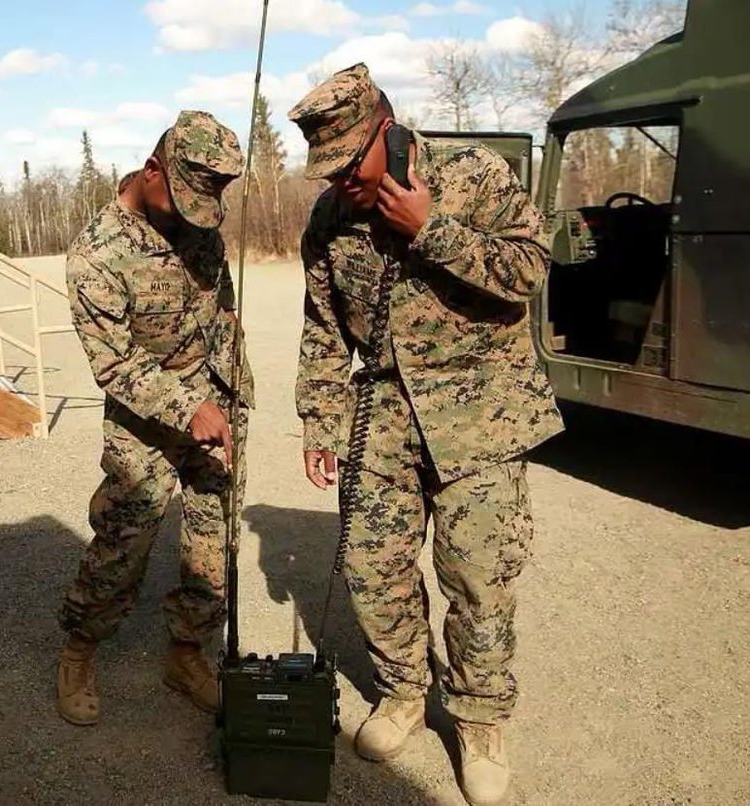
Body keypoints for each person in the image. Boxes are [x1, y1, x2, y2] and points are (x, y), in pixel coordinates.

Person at [287, 64, 564, 806]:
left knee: (478, 579)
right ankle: (404, 692)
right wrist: (319, 416)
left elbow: (529, 272)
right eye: (329, 168)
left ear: (387, 126)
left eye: (351, 163)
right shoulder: (329, 218)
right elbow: (321, 329)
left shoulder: (475, 175)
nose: (342, 180)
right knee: (374, 572)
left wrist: (432, 230)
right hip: (380, 421)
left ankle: (478, 722)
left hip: (481, 416)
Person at [55, 110, 253, 726]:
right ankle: (80, 650)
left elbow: (221, 311)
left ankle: (188, 653)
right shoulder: (96, 254)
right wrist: (184, 405)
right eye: (187, 199)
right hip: (145, 415)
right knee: (126, 537)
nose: (197, 217)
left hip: (214, 406)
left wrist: (232, 393)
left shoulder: (200, 229)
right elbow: (114, 365)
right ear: (151, 171)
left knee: (213, 538)